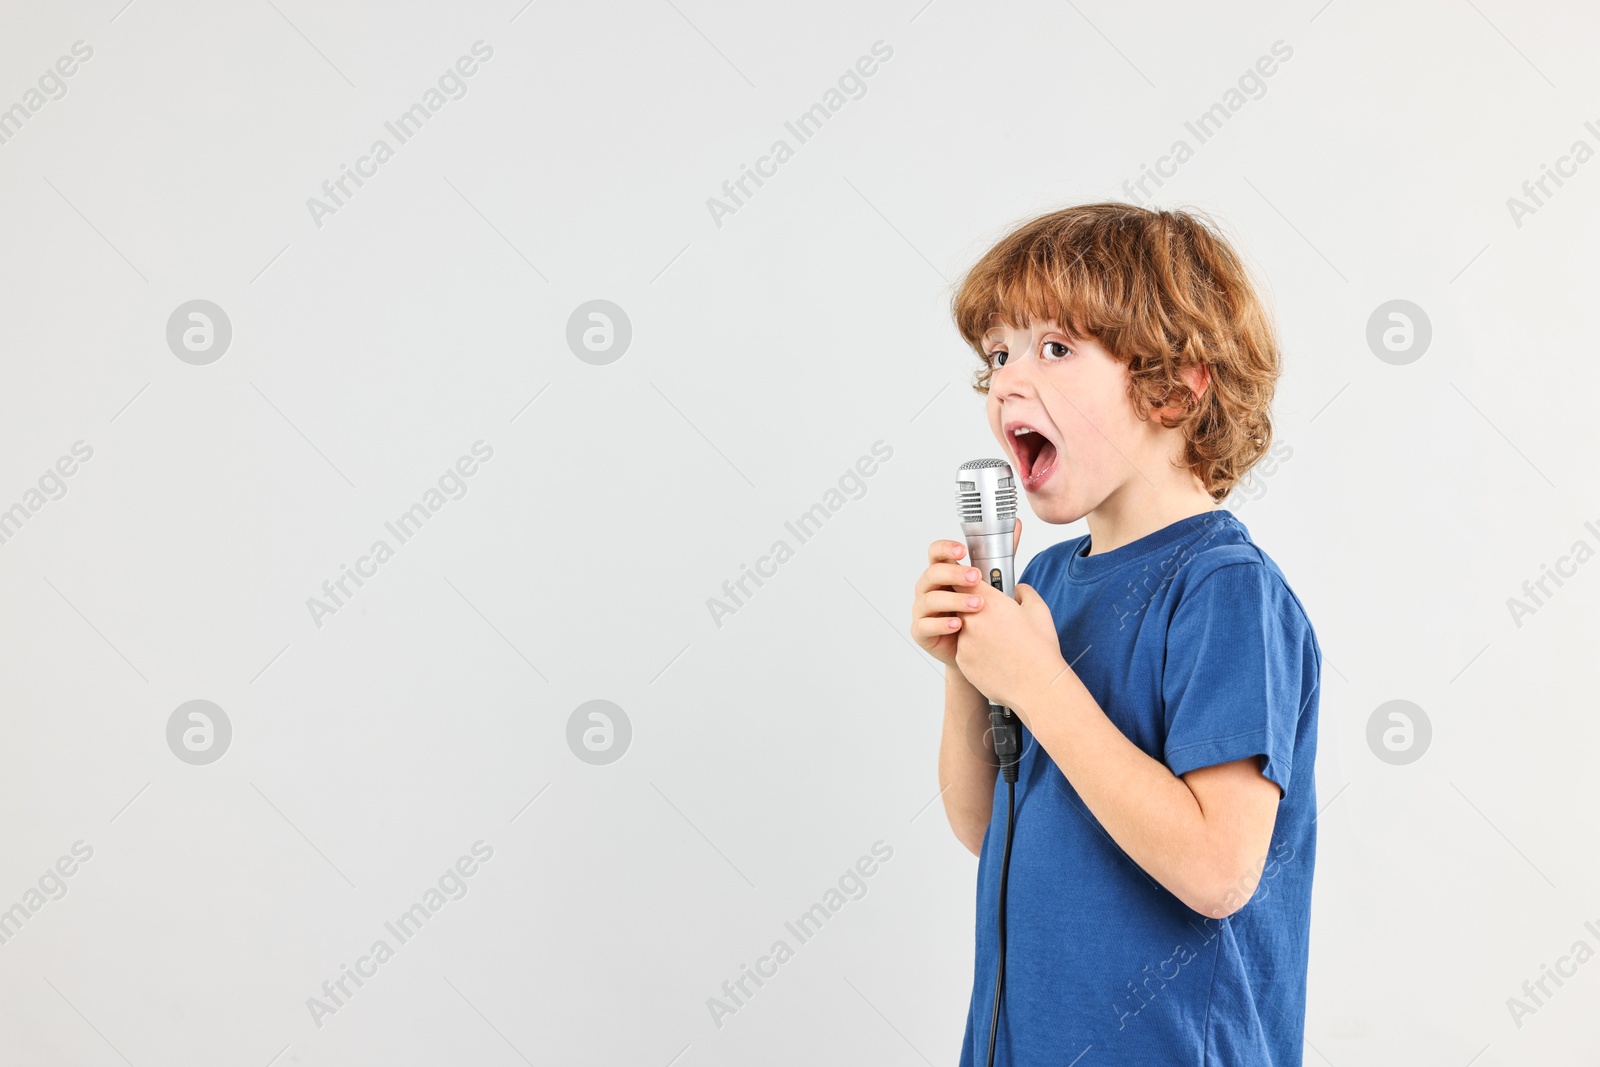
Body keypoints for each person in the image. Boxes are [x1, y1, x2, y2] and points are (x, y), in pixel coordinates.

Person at [910, 202, 1322, 1066]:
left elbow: (1219, 869)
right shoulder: (1047, 586)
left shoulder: (1223, 591)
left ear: (1176, 384)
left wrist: (1038, 682)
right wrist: (970, 664)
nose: (1010, 383)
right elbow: (987, 824)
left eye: (1055, 348)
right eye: (998, 354)